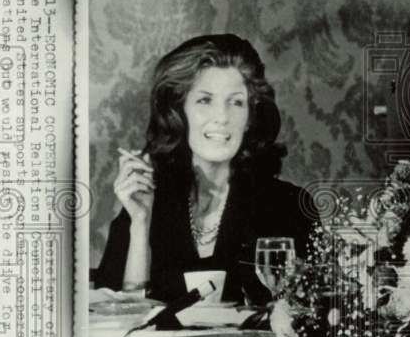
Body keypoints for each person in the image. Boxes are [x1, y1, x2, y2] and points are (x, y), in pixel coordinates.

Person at [94, 34, 319, 305]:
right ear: (179, 112)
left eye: (236, 102)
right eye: (205, 100)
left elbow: (309, 312)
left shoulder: (288, 206)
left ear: (250, 117)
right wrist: (141, 223)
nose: (222, 117)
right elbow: (117, 312)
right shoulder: (148, 201)